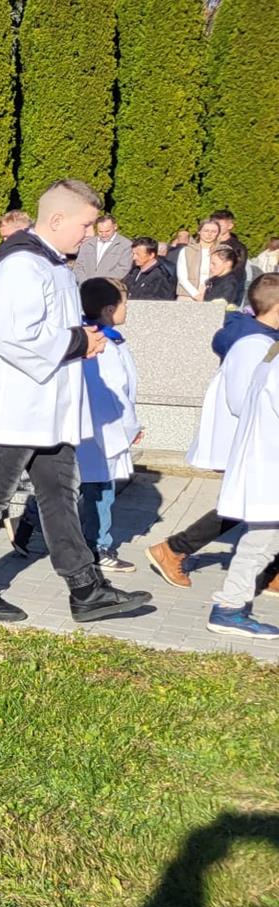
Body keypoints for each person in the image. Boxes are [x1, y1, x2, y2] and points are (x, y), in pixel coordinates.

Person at [0, 178, 151, 624]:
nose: (89, 235)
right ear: (56, 219)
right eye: (85, 225)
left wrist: (79, 338)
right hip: (13, 408)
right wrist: (79, 341)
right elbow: (13, 336)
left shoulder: (51, 265)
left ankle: (85, 588)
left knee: (59, 493)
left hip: (44, 409)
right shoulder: (21, 265)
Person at [147, 274, 279, 594]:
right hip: (255, 440)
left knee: (255, 505)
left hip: (259, 439)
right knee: (248, 504)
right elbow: (242, 398)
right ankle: (174, 548)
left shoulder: (259, 338)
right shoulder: (253, 344)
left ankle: (268, 572)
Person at [204, 322, 279, 639]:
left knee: (261, 543)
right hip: (269, 469)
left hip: (266, 467)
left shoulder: (272, 356)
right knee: (260, 544)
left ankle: (230, 606)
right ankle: (229, 608)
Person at [73, 278, 141, 573]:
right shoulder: (103, 344)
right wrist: (129, 426)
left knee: (83, 485)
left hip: (96, 427)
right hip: (104, 429)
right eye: (125, 302)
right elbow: (114, 390)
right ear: (109, 309)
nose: (127, 308)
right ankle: (98, 546)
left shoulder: (98, 338)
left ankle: (28, 524)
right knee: (101, 490)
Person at [74, 213, 130, 284]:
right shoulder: (87, 244)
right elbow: (78, 266)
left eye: (107, 231)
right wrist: (85, 282)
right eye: (100, 231)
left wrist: (102, 283)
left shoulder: (125, 245)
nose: (104, 235)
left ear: (115, 227)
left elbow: (123, 269)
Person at [176, 217, 222, 301]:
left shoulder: (222, 251)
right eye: (206, 231)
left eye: (214, 231)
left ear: (218, 234)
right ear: (199, 232)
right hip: (187, 296)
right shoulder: (187, 251)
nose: (209, 234)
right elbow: (182, 277)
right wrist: (196, 294)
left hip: (213, 296)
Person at [124, 236, 176, 301]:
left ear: (151, 255)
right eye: (133, 254)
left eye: (138, 254)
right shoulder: (134, 271)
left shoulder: (161, 277)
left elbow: (159, 301)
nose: (134, 257)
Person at [205, 239, 248, 306]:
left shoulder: (230, 284)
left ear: (228, 264)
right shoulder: (215, 279)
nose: (210, 267)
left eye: (214, 264)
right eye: (210, 263)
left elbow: (221, 307)